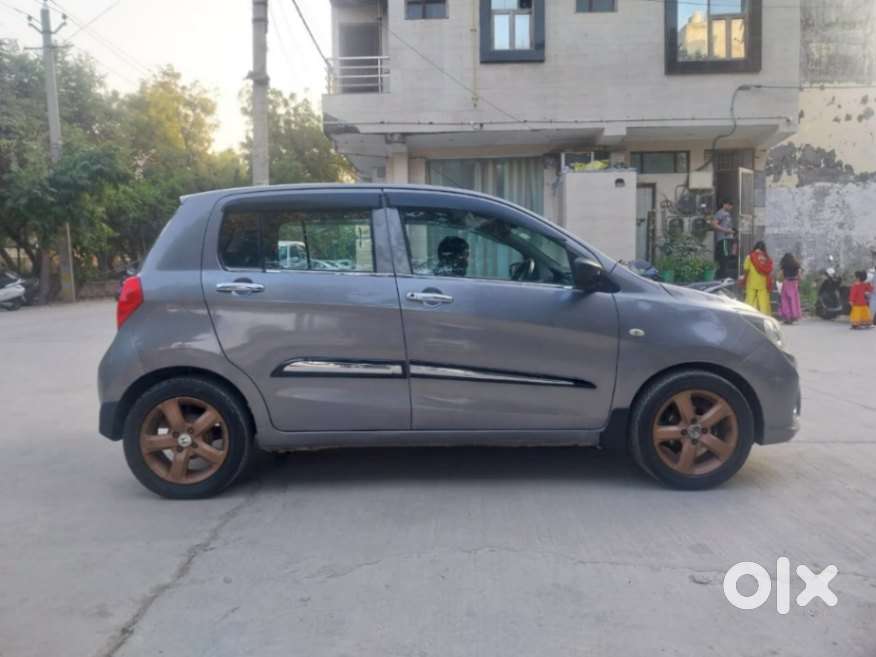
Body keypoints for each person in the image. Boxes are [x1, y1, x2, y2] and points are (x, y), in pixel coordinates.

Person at [742, 241, 773, 316]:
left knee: (749, 301)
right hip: (763, 283)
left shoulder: (750, 256)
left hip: (751, 282)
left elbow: (746, 269)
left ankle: (748, 317)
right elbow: (770, 270)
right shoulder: (767, 258)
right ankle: (764, 319)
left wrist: (744, 279)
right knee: (763, 304)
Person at [711, 200, 737, 279]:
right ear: (725, 204)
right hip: (724, 239)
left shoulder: (728, 214)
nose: (731, 207)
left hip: (728, 239)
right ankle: (722, 277)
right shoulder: (720, 213)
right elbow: (714, 224)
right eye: (729, 205)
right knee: (724, 258)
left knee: (727, 258)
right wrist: (727, 231)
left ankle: (724, 276)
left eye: (731, 206)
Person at [778, 252, 802, 324]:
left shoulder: (784, 266)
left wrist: (779, 280)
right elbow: (799, 276)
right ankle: (794, 317)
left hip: (786, 282)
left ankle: (787, 317)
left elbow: (781, 276)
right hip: (794, 282)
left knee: (785, 300)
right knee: (794, 300)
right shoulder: (796, 266)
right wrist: (799, 283)